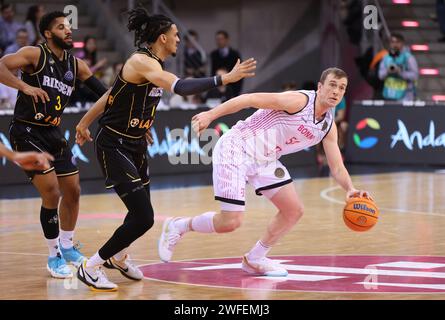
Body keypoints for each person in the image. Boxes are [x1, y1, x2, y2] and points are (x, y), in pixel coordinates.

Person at [74, 7, 256, 291]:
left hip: (134, 143)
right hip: (114, 143)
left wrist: (87, 122)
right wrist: (223, 79)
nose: (179, 40)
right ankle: (91, 266)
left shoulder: (152, 66)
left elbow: (113, 95)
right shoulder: (141, 62)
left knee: (138, 213)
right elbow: (180, 88)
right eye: (176, 35)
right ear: (162, 38)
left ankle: (118, 257)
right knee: (144, 217)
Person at [158, 67, 372, 276]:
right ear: (320, 87)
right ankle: (178, 226)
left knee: (293, 210)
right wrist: (210, 115)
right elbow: (248, 99)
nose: (336, 91)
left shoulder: (327, 126)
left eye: (341, 88)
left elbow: (336, 167)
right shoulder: (298, 101)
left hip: (265, 160)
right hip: (238, 147)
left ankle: (255, 258)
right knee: (230, 222)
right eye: (332, 85)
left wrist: (350, 188)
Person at [0, 11, 108, 279]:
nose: (68, 31)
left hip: (53, 132)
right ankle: (53, 256)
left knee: (73, 191)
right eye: (61, 27)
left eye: (69, 26)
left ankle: (68, 246)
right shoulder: (34, 55)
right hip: (26, 130)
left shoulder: (77, 65)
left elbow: (108, 95)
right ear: (48, 33)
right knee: (51, 192)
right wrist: (23, 88)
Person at [378, 34, 419, 101]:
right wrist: (387, 72)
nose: (395, 45)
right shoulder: (386, 57)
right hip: (389, 94)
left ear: (402, 43)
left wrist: (401, 73)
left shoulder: (408, 57)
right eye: (392, 42)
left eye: (397, 42)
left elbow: (415, 76)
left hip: (406, 95)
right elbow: (380, 76)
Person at [210, 30, 242, 96]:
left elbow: (239, 72)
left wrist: (236, 91)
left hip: (232, 86)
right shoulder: (213, 54)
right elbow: (212, 71)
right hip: (217, 86)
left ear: (227, 40)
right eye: (217, 39)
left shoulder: (235, 54)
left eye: (221, 39)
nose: (219, 41)